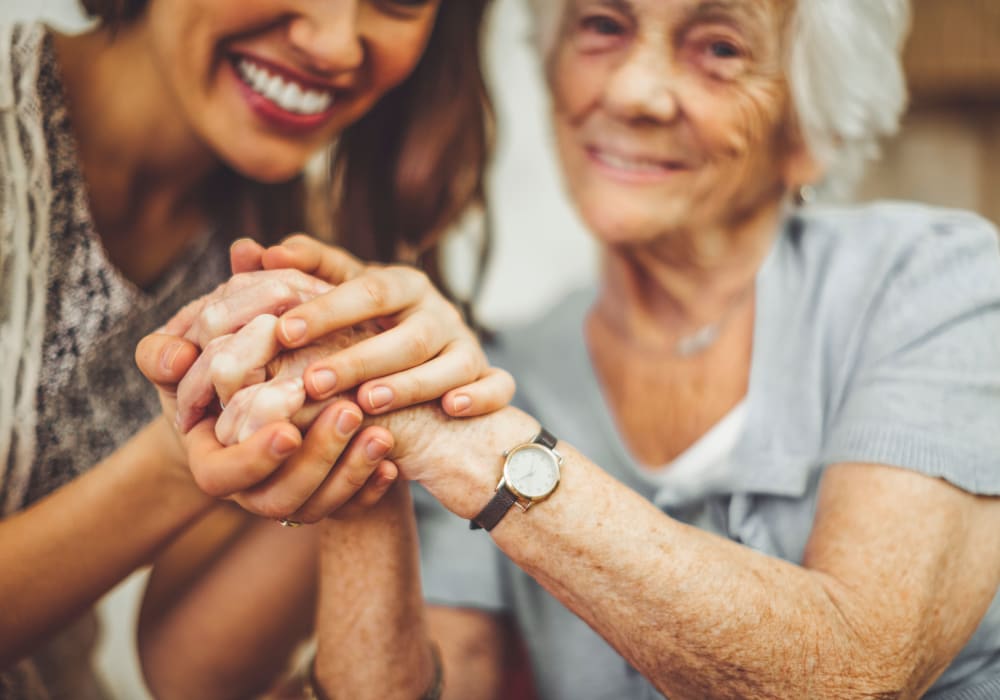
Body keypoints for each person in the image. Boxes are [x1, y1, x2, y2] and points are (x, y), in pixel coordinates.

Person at [151, 0, 1000, 697]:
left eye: (719, 46)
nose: (635, 91)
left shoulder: (937, 280)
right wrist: (359, 408)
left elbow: (859, 672)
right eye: (602, 26)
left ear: (809, 124)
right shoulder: (505, 363)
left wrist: (463, 441)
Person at [0, 1, 512, 697]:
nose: (333, 45)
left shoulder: (292, 255)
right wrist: (179, 460)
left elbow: (190, 672)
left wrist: (366, 421)